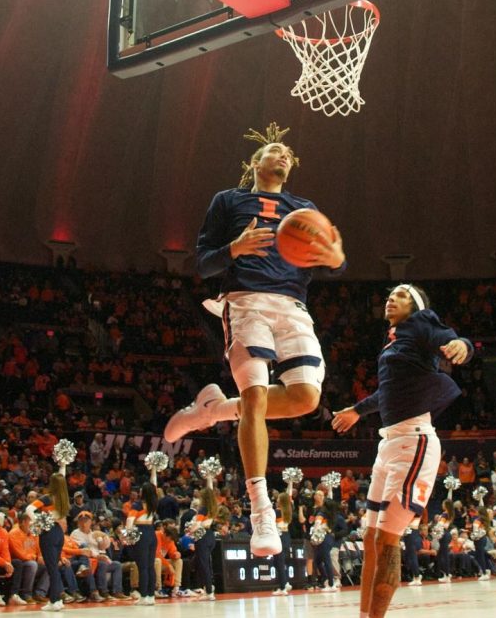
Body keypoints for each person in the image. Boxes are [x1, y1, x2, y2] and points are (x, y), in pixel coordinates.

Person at [164, 124, 345, 556]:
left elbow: (331, 262)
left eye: (287, 151)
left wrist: (336, 258)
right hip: (245, 302)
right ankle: (261, 510)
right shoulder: (228, 200)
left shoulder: (304, 208)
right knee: (258, 397)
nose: (282, 153)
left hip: (293, 306)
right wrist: (234, 248)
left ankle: (213, 410)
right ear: (255, 163)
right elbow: (204, 264)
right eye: (273, 149)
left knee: (305, 400)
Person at [331, 283, 472, 617]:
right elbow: (388, 394)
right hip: (389, 443)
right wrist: (356, 410)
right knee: (369, 539)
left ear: (416, 305)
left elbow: (453, 338)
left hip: (415, 442)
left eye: (400, 295)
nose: (390, 298)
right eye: (389, 295)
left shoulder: (423, 322)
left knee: (387, 541)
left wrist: (461, 346)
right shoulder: (394, 340)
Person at [25, 473, 71, 611]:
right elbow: (61, 476)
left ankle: (54, 601)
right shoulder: (64, 498)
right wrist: (63, 465)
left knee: (52, 569)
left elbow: (29, 509)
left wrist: (39, 520)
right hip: (59, 532)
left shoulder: (47, 498)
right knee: (54, 568)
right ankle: (57, 600)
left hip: (49, 533)